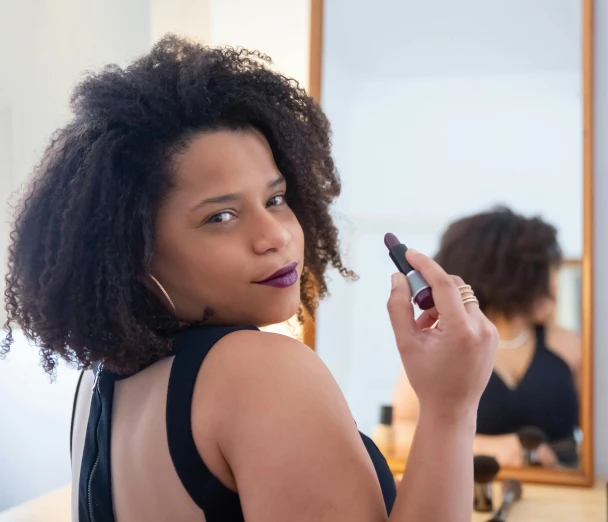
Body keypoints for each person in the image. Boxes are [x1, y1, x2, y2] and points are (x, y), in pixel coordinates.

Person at [1, 36, 497, 522]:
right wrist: (449, 408)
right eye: (221, 217)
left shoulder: (101, 382)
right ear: (133, 253)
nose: (275, 236)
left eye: (275, 200)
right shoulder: (263, 373)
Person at [392, 206, 581, 469]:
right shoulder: (444, 342)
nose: (554, 287)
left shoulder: (570, 345)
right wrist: (489, 448)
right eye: (545, 275)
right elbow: (397, 431)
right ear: (511, 276)